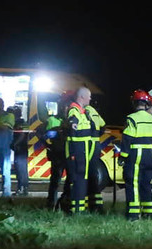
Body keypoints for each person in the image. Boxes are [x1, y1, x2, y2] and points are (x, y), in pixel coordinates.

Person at [119, 90, 152, 220]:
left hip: (136, 154)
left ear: (134, 103)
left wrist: (123, 156)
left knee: (133, 183)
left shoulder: (131, 118)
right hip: (150, 155)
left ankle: (133, 214)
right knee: (147, 183)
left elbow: (127, 138)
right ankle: (150, 212)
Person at [65, 87, 106, 215]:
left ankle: (80, 209)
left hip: (83, 150)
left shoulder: (83, 112)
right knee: (79, 179)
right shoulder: (74, 110)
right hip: (77, 151)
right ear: (82, 97)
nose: (90, 99)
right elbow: (73, 125)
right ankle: (77, 210)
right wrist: (72, 124)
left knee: (83, 179)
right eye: (89, 96)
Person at [43, 93, 70, 210]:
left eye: (66, 106)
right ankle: (51, 204)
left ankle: (65, 203)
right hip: (57, 154)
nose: (65, 108)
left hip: (68, 154)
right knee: (55, 181)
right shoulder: (52, 120)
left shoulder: (72, 119)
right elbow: (42, 135)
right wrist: (48, 144)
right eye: (63, 105)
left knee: (70, 181)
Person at [10, 106, 31, 196]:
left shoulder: (19, 123)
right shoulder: (24, 123)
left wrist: (14, 144)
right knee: (23, 169)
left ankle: (21, 188)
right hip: (23, 148)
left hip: (20, 148)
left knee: (20, 169)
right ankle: (24, 188)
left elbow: (21, 135)